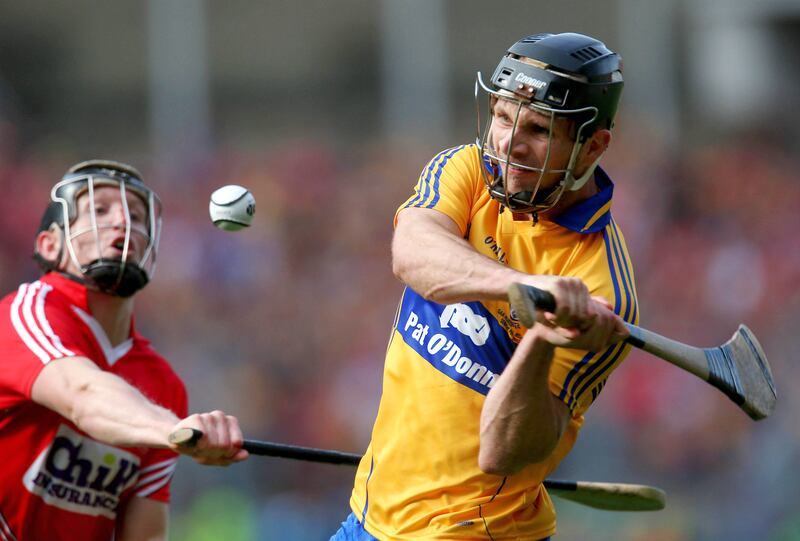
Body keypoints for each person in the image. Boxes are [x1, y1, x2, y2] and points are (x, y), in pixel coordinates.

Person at [332, 32, 638, 540]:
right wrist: (525, 287)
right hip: (370, 516)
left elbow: (501, 450)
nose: (508, 143)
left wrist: (543, 335)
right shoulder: (469, 169)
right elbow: (412, 253)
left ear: (594, 146)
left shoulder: (601, 284)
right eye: (502, 116)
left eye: (537, 129)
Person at [0, 160, 248, 541]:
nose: (122, 222)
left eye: (135, 214)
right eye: (99, 210)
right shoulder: (24, 314)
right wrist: (174, 431)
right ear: (49, 244)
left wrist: (172, 429)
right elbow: (83, 395)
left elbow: (145, 535)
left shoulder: (164, 387)